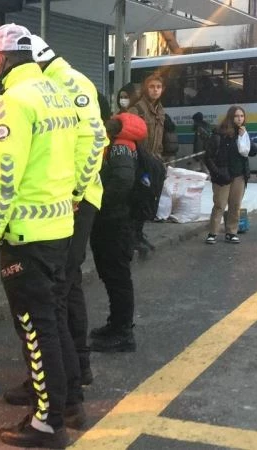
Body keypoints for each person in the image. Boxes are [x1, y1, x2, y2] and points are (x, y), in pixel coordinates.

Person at [0, 23, 85, 449]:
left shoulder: (11, 105)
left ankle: (48, 423)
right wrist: (75, 197)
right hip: (59, 228)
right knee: (54, 320)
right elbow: (83, 153)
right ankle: (70, 402)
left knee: (36, 330)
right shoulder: (58, 95)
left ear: (0, 58)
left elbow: (3, 179)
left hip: (26, 236)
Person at [23, 34, 107, 390]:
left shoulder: (69, 82)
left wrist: (75, 193)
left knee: (59, 286)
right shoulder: (51, 83)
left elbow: (95, 141)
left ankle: (67, 375)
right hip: (63, 199)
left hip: (74, 200)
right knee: (62, 284)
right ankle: (71, 370)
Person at [88, 113, 147, 353]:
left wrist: (99, 203)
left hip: (116, 222)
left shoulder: (120, 147)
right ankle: (116, 324)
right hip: (114, 221)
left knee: (117, 277)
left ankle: (123, 333)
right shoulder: (120, 145)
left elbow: (122, 181)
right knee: (112, 275)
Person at [204, 105, 257, 244]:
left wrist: (245, 136)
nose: (239, 119)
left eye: (242, 116)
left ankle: (231, 232)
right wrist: (217, 172)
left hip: (239, 175)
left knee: (235, 205)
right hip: (223, 176)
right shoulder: (219, 134)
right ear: (230, 117)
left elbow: (253, 151)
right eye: (236, 116)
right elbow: (208, 157)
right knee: (219, 205)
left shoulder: (243, 133)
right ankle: (213, 233)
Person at [129, 74, 166, 256]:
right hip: (140, 162)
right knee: (138, 200)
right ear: (146, 88)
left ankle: (139, 234)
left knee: (149, 199)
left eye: (158, 87)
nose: (155, 90)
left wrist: (159, 159)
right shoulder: (137, 109)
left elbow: (160, 137)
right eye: (152, 86)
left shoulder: (160, 110)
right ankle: (132, 238)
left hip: (154, 162)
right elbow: (131, 135)